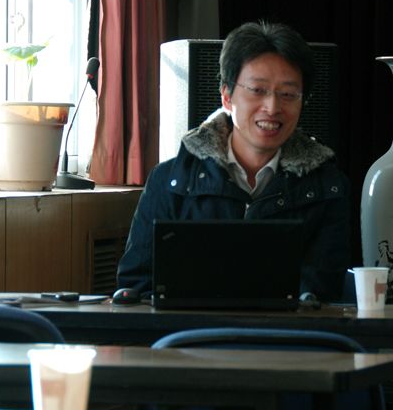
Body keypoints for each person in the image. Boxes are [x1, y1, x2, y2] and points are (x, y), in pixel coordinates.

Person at [117, 21, 350, 301]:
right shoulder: (170, 181)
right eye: (258, 90)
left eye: (288, 94)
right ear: (227, 96)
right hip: (188, 329)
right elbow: (137, 286)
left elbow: (322, 292)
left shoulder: (327, 187)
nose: (272, 107)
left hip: (288, 330)